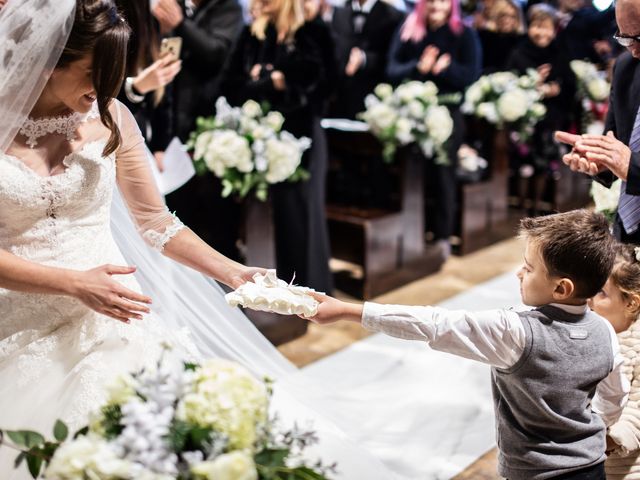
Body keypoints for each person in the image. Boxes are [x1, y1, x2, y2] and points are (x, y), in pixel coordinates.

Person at [0, 1, 394, 478]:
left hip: (116, 314)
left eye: (113, 76)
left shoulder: (112, 117)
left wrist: (236, 273)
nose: (104, 90)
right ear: (47, 60)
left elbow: (155, 221)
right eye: (92, 74)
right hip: (20, 316)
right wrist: (72, 282)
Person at [304, 210, 630, 480]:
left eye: (529, 268)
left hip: (533, 472)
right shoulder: (604, 331)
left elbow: (435, 324)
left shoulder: (516, 332)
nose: (519, 272)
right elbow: (614, 398)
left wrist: (349, 310)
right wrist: (595, 430)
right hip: (590, 468)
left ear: (561, 288)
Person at [221, 0, 334, 292]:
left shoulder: (312, 31)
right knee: (264, 218)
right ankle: (271, 293)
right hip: (258, 138)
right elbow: (231, 85)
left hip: (303, 137)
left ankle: (307, 292)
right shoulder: (253, 33)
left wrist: (275, 83)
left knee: (301, 216)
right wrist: (273, 82)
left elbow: (327, 88)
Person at [386, 0, 481, 258]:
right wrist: (419, 67)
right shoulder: (409, 29)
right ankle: (413, 232)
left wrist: (446, 69)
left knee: (442, 174)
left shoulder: (464, 33)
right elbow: (391, 69)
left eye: (443, 1)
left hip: (447, 115)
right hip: (412, 114)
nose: (437, 6)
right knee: (412, 175)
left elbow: (472, 73)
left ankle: (441, 235)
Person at [556, 0, 640, 244]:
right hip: (628, 231)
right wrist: (600, 158)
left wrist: (631, 166)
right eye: (624, 38)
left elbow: (629, 161)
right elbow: (615, 140)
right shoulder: (625, 67)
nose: (633, 49)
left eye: (639, 37)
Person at [590, 244, 640, 479]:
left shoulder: (635, 345)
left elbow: (636, 413)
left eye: (600, 292)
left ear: (631, 302)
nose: (589, 297)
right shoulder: (591, 332)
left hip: (625, 467)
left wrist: (602, 443)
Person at [116, 0, 180, 172]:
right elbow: (97, 97)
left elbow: (164, 94)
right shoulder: (112, 21)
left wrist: (160, 147)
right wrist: (135, 88)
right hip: (112, 143)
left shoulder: (156, 25)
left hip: (145, 147)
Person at [329, 0, 404, 119]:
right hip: (340, 99)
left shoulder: (393, 16)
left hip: (374, 100)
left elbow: (391, 59)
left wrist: (364, 59)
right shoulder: (340, 12)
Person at [478, 0, 525, 73]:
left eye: (512, 16)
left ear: (517, 19)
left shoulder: (522, 40)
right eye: (503, 15)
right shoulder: (485, 36)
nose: (507, 20)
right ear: (496, 15)